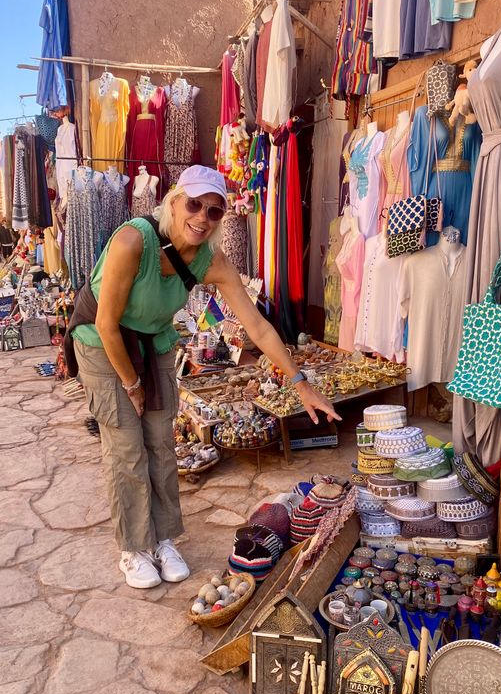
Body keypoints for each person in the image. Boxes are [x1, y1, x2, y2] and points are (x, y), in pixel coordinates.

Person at [66, 165, 340, 589]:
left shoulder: (211, 260)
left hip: (153, 341)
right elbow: (106, 323)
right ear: (174, 202)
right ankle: (134, 547)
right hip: (104, 343)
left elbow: (259, 327)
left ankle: (163, 539)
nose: (202, 217)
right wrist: (132, 385)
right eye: (194, 204)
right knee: (126, 446)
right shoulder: (132, 240)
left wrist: (301, 382)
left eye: (214, 211)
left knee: (160, 440)